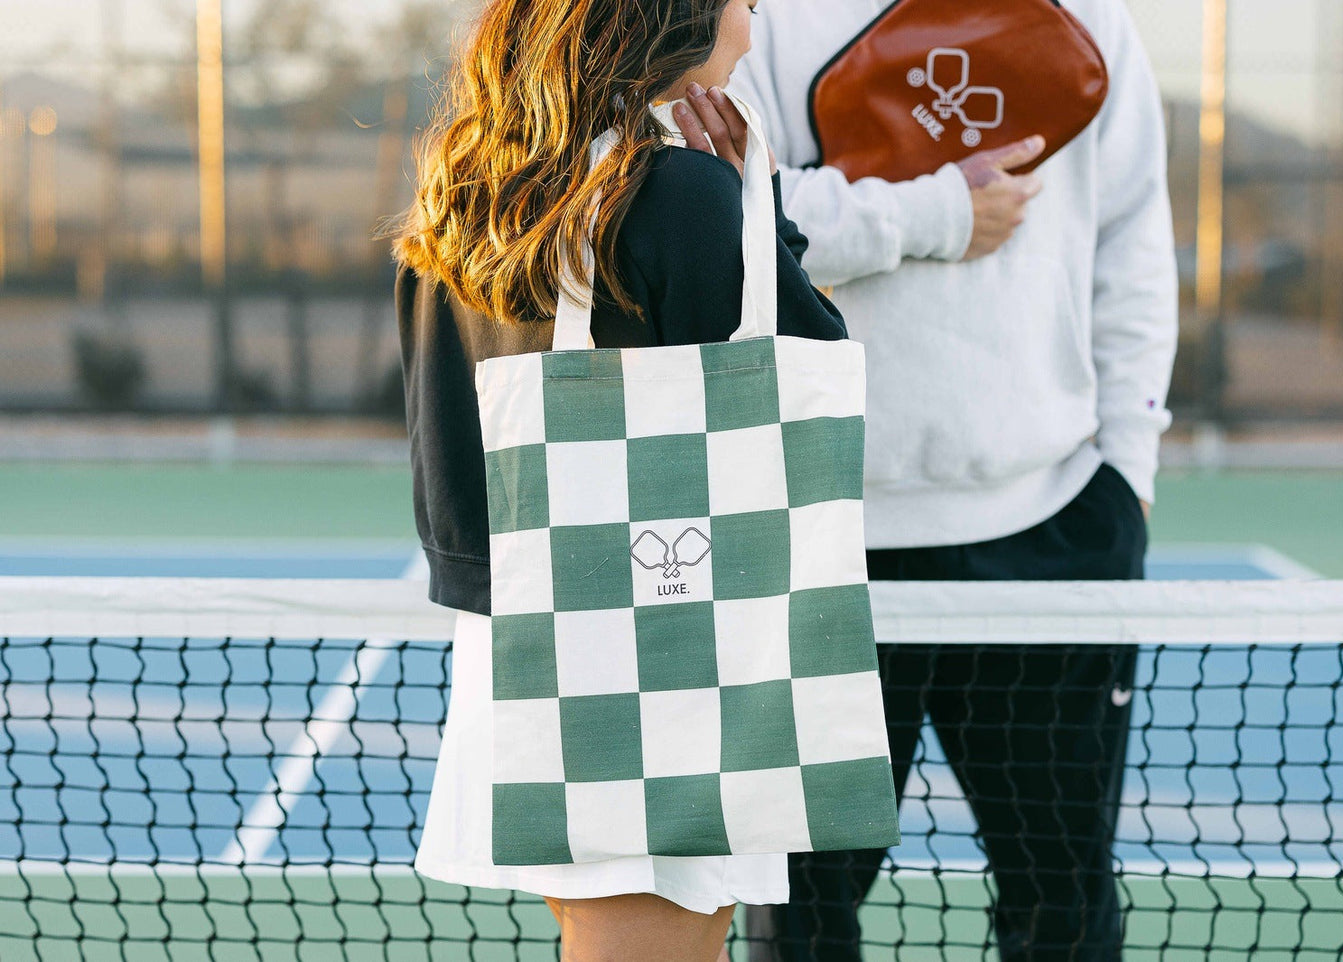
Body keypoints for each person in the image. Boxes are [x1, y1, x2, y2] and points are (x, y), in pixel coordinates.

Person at [391, 1, 852, 960]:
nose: (752, 33)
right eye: (746, 6)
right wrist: (752, 211)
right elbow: (802, 363)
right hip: (663, 650)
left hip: (527, 645)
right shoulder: (673, 192)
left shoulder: (477, 184)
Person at [721, 0, 1179, 958]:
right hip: (818, 536)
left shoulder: (1091, 17)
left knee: (1063, 904)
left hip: (1052, 530)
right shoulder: (751, 18)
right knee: (796, 916)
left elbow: (1132, 245)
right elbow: (728, 220)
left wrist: (1125, 469)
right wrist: (936, 211)